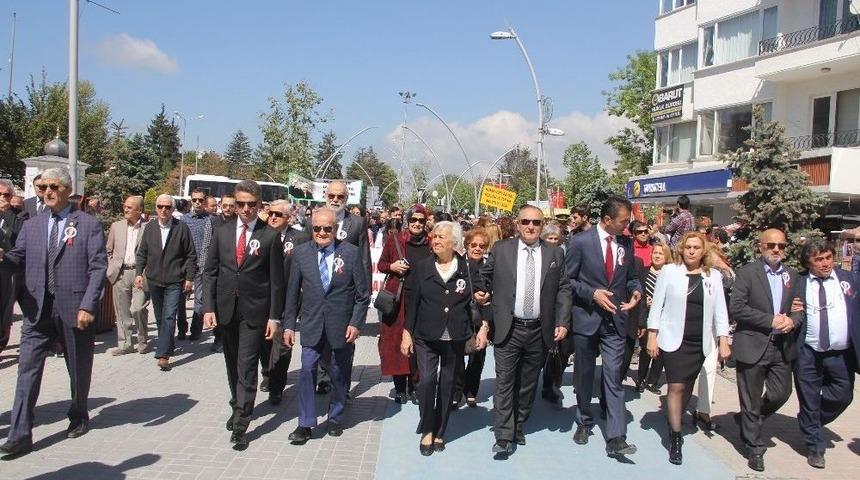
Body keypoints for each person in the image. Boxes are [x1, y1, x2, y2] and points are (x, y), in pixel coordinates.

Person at [0, 167, 107, 457]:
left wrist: (88, 304)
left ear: (67, 190)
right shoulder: (32, 225)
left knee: (78, 366)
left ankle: (79, 412)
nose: (47, 191)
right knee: (26, 371)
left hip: (74, 309)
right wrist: (3, 257)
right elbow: (17, 258)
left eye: (54, 187)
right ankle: (20, 434)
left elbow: (98, 268)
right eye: (43, 186)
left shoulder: (87, 224)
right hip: (37, 310)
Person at [476, 205, 572, 455]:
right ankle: (503, 434)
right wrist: (481, 289)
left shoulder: (554, 254)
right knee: (504, 381)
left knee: (528, 383)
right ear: (517, 224)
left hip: (540, 330)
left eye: (536, 223)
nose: (531, 227)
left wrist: (562, 320)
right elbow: (483, 275)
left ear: (542, 226)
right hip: (509, 328)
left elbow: (563, 288)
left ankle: (519, 423)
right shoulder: (501, 249)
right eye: (526, 222)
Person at [202, 181, 285, 451]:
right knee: (231, 365)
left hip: (254, 312)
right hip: (226, 311)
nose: (246, 209)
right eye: (241, 204)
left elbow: (276, 282)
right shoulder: (222, 232)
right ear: (234, 204)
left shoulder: (270, 236)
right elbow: (211, 272)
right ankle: (237, 404)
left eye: (251, 204)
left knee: (247, 366)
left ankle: (241, 423)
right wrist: (208, 308)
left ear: (260, 204)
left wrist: (274, 317)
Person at [284, 207, 369, 445]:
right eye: (317, 228)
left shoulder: (350, 253)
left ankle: (335, 416)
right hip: (311, 324)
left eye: (327, 228)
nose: (321, 232)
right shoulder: (301, 254)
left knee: (339, 374)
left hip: (340, 326)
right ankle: (305, 423)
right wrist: (289, 325)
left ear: (336, 229)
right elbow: (291, 294)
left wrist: (356, 323)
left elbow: (363, 294)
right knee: (307, 369)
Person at [646, 231, 730, 465]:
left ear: (704, 251)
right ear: (681, 249)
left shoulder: (713, 276)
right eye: (688, 247)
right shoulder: (670, 272)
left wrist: (723, 340)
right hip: (674, 340)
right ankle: (675, 437)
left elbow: (721, 312)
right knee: (676, 386)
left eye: (696, 247)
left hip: (699, 342)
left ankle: (675, 416)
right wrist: (652, 335)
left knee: (687, 387)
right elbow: (657, 305)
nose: (692, 251)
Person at [566, 196, 641, 457]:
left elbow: (631, 277)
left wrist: (636, 292)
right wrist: (592, 293)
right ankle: (584, 420)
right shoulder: (580, 242)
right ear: (607, 220)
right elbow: (569, 281)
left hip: (615, 322)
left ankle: (616, 436)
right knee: (584, 375)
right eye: (623, 222)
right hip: (587, 320)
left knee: (613, 376)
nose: (627, 227)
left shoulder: (626, 243)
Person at [400, 221, 480, 456]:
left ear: (454, 243)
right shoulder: (422, 267)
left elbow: (478, 301)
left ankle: (440, 429)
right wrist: (407, 333)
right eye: (434, 236)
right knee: (425, 382)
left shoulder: (468, 268)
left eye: (441, 237)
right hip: (426, 335)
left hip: (455, 336)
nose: (435, 240)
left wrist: (482, 325)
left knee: (447, 384)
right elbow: (412, 303)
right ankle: (427, 428)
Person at [729, 228, 801, 472]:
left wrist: (793, 320)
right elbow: (737, 308)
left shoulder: (792, 275)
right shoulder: (747, 273)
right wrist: (769, 320)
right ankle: (754, 446)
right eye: (771, 245)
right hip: (753, 342)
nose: (776, 250)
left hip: (782, 346)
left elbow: (799, 309)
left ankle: (750, 418)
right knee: (750, 398)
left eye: (781, 245)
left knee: (781, 393)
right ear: (760, 247)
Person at [794, 238, 860, 469]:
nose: (825, 263)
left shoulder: (847, 279)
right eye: (818, 259)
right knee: (809, 399)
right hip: (809, 351)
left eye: (828, 258)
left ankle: (809, 421)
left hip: (840, 353)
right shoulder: (798, 282)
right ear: (808, 262)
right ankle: (814, 447)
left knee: (844, 396)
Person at [135, 194, 196, 371]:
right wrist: (139, 273)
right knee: (161, 317)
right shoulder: (150, 228)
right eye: (160, 206)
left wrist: (189, 278)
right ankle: (168, 346)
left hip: (174, 281)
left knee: (169, 316)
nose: (163, 210)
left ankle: (163, 355)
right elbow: (142, 253)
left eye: (167, 207)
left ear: (172, 209)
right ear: (156, 208)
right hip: (154, 280)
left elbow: (191, 255)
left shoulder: (181, 228)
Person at [377, 205, 431, 404]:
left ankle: (415, 387)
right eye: (414, 220)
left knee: (418, 345)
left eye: (421, 220)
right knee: (395, 344)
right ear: (408, 221)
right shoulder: (395, 240)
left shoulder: (431, 242)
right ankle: (400, 388)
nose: (417, 223)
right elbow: (382, 264)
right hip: (398, 300)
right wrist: (392, 266)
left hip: (422, 302)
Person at [260, 200, 310, 404]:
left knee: (282, 344)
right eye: (270, 213)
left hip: (287, 300)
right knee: (263, 342)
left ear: (288, 218)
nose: (273, 217)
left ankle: (276, 386)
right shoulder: (259, 236)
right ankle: (267, 372)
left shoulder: (299, 238)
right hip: (262, 299)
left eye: (278, 215)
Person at [105, 195, 150, 355]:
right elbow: (108, 249)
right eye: (125, 206)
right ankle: (125, 344)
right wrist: (112, 267)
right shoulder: (116, 226)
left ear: (139, 210)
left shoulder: (149, 227)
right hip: (121, 273)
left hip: (140, 274)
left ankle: (143, 340)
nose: (125, 209)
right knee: (122, 311)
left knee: (138, 308)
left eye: (129, 207)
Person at [455, 227, 490, 408]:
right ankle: (456, 390)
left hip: (482, 317)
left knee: (478, 355)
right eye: (473, 245)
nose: (477, 248)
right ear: (467, 245)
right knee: (457, 356)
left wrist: (488, 296)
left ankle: (471, 390)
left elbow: (498, 289)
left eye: (481, 245)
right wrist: (471, 295)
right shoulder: (458, 264)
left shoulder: (490, 265)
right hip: (461, 315)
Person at [635, 243, 671, 393]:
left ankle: (653, 381)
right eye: (655, 253)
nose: (657, 256)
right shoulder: (643, 272)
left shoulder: (670, 274)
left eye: (660, 254)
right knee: (645, 348)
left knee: (661, 350)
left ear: (666, 257)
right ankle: (640, 379)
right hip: (646, 316)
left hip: (665, 317)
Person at [179, 188, 212, 341]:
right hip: (184, 265)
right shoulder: (184, 220)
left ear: (205, 201)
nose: (198, 203)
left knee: (199, 300)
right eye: (194, 200)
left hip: (202, 266)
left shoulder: (210, 220)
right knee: (180, 299)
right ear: (191, 200)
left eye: (200, 200)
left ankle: (196, 329)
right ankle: (181, 327)